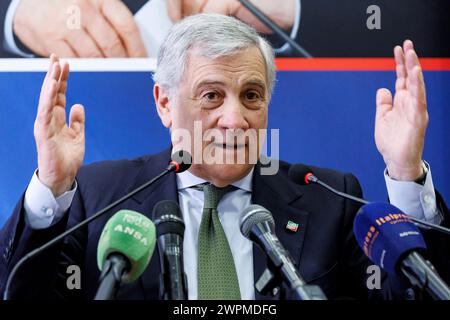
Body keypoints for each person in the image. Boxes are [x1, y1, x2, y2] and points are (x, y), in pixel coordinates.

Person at [0, 14, 448, 300]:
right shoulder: (100, 196)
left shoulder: (330, 199)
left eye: (251, 95)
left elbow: (415, 296)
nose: (235, 120)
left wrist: (407, 173)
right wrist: (51, 188)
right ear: (164, 103)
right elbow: (20, 293)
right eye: (212, 95)